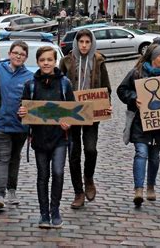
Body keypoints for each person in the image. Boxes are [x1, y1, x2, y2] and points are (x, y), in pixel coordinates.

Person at [18, 46, 74, 229]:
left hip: (60, 137)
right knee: (43, 175)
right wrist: (22, 112)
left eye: (49, 60)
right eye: (42, 60)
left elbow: (73, 111)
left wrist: (69, 122)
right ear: (37, 62)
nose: (46, 63)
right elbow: (23, 111)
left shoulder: (65, 83)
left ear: (55, 61)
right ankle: (44, 213)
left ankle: (55, 210)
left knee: (58, 172)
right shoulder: (31, 85)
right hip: (40, 138)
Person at [116, 44, 160, 207]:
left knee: (155, 156)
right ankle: (139, 189)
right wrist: (133, 98)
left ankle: (151, 185)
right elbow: (122, 90)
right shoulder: (137, 73)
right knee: (141, 152)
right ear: (153, 58)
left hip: (159, 122)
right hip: (140, 121)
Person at [59, 29, 112, 209]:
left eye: (87, 42)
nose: (83, 45)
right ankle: (78, 192)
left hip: (91, 113)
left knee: (90, 149)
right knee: (74, 154)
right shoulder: (66, 61)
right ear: (76, 43)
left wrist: (106, 104)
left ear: (92, 43)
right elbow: (60, 86)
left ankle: (88, 178)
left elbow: (106, 87)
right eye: (81, 42)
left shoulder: (98, 61)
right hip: (72, 113)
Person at [0, 41, 33, 210]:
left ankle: (12, 190)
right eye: (15, 53)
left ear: (26, 58)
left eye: (22, 54)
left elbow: (33, 102)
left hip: (19, 127)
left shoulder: (29, 77)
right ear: (9, 53)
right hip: (0, 124)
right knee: (2, 157)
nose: (18, 56)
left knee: (14, 158)